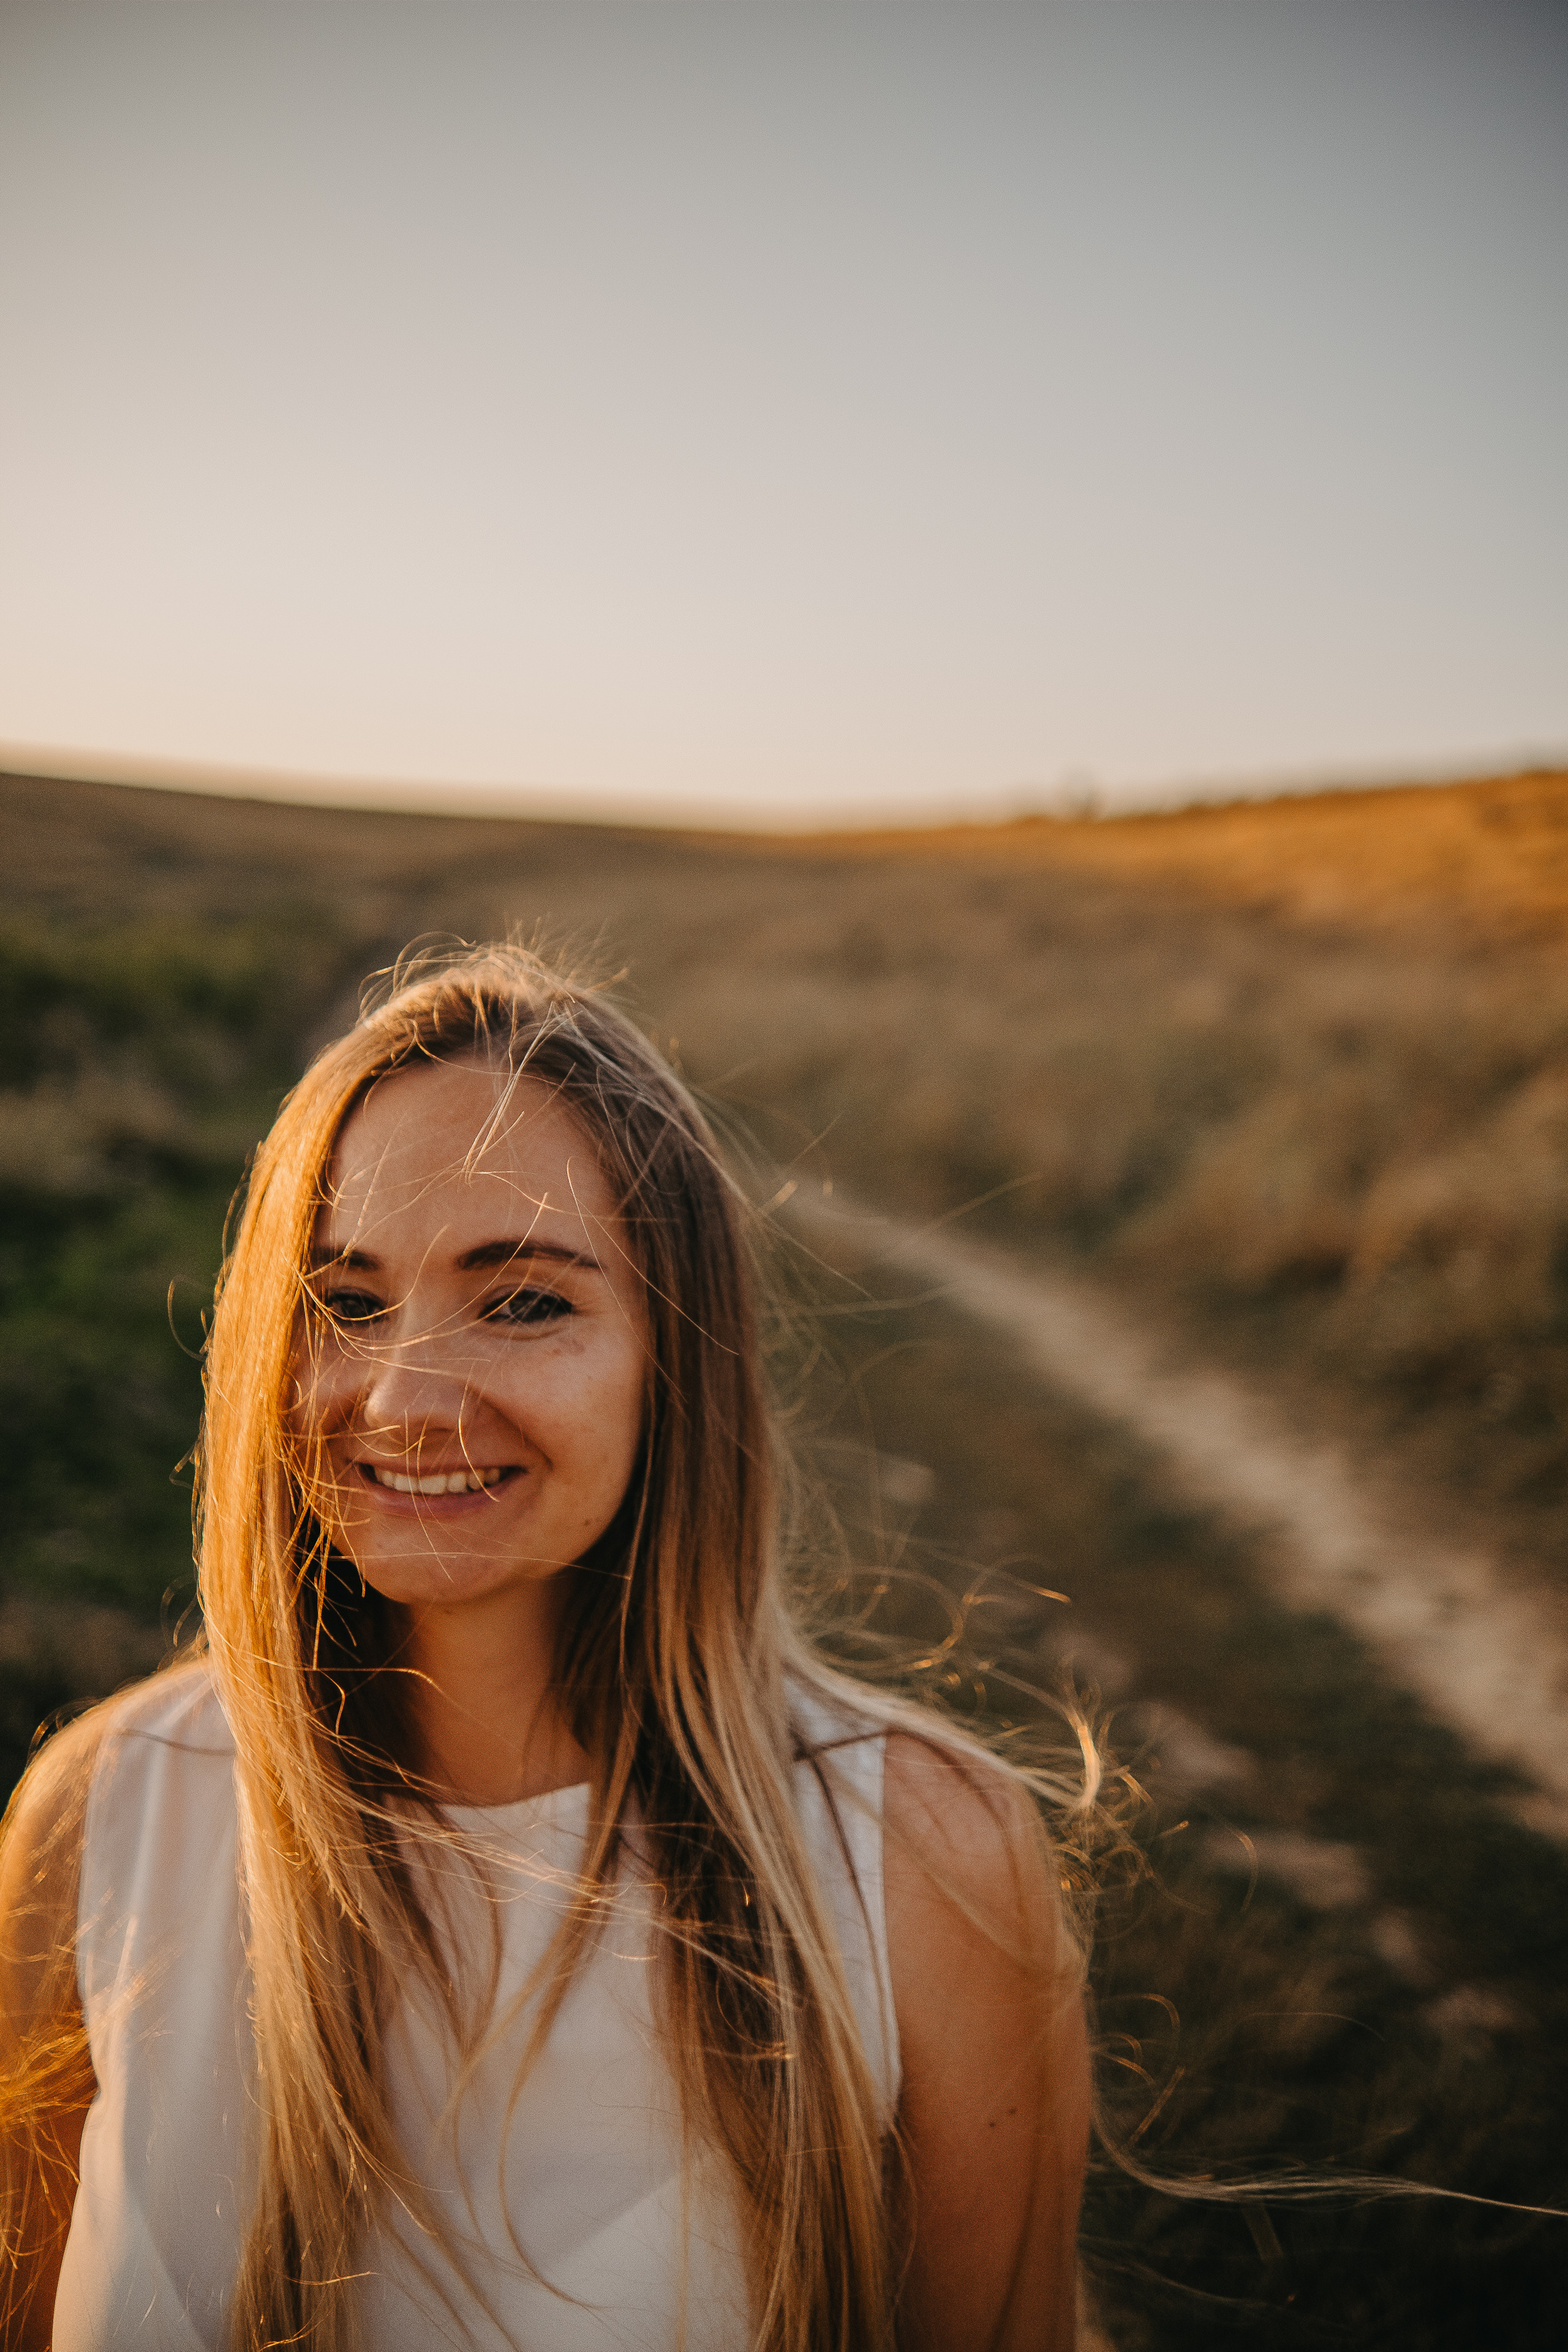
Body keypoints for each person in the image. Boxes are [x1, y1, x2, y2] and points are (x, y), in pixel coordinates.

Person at [0, 943, 1091, 2351]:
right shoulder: (101, 1818)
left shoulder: (916, 1861)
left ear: (673, 1354)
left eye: (522, 1299)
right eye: (344, 1299)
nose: (402, 1393)